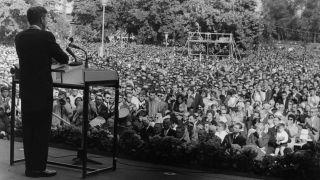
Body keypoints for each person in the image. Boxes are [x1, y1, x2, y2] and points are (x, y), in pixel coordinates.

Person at [15, 6, 69, 177]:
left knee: (29, 130)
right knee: (41, 131)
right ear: (43, 19)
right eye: (46, 19)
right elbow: (64, 58)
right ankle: (40, 168)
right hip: (42, 90)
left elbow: (30, 59)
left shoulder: (19, 37)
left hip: (26, 90)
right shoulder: (46, 36)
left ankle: (30, 168)